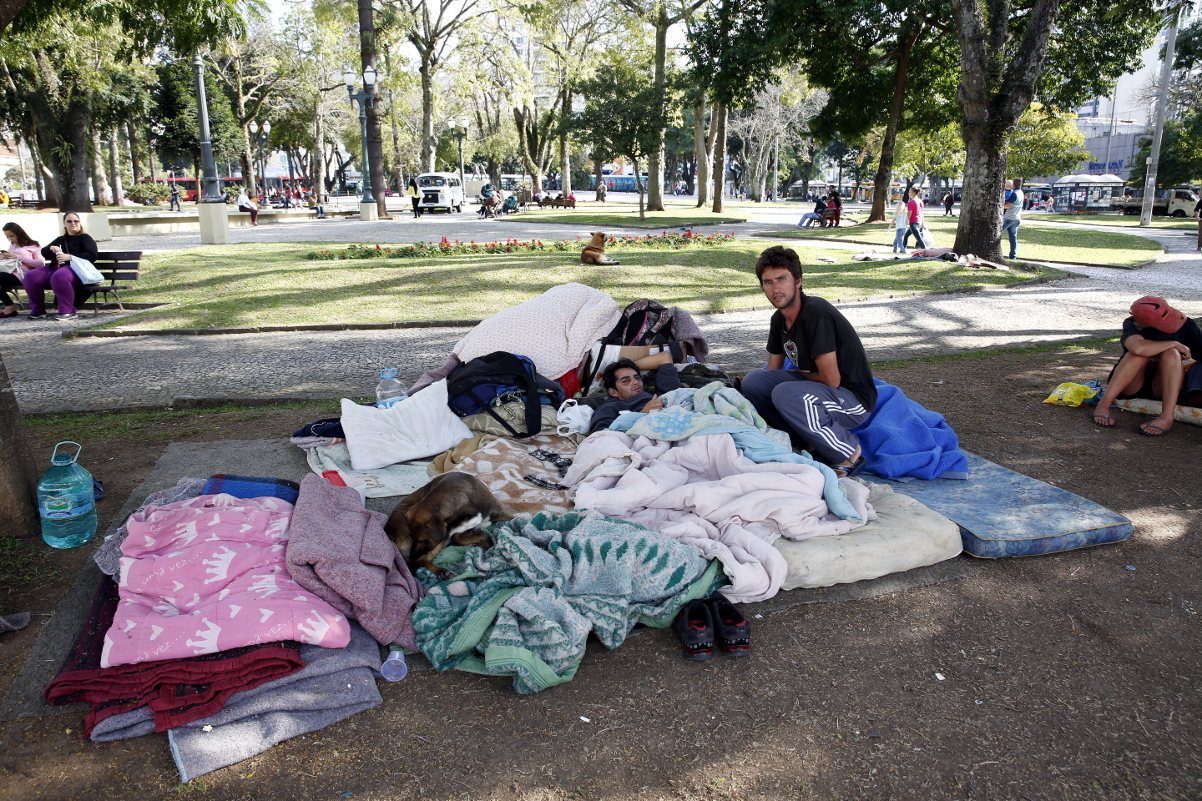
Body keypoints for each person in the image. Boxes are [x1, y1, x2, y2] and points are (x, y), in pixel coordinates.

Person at [740, 245, 877, 475]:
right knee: (754, 381)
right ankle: (801, 440)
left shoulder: (816, 314)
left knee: (786, 392)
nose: (775, 288)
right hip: (818, 390)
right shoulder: (779, 319)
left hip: (852, 398)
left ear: (798, 281)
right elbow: (771, 370)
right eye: (768, 282)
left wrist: (800, 376)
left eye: (782, 279)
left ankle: (847, 453)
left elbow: (832, 380)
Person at [1092, 296, 1202, 437]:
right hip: (1133, 383)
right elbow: (1137, 348)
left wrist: (1174, 349)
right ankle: (1103, 405)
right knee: (1137, 354)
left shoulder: (1184, 324)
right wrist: (1174, 343)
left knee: (1172, 354)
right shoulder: (1132, 324)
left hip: (1164, 386)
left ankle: (1167, 417)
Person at [21, 213, 98, 321]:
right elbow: (45, 253)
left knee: (60, 276)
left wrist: (70, 257)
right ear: (64, 223)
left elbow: (92, 255)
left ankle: (68, 311)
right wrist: (51, 248)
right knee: (31, 276)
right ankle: (38, 311)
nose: (73, 223)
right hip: (57, 268)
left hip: (77, 270)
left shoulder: (84, 238)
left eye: (76, 221)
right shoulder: (61, 239)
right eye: (69, 221)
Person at [588, 357, 682, 434]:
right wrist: (641, 414)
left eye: (637, 378)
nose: (636, 382)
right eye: (626, 381)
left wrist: (626, 367)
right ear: (613, 392)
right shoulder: (610, 407)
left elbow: (664, 358)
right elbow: (601, 435)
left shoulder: (663, 394)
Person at [0, 222, 44, 318]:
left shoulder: (34, 246)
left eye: (12, 236)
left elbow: (40, 264)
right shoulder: (12, 245)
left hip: (23, 275)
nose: (10, 239)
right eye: (7, 237)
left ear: (19, 233)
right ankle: (9, 306)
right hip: (9, 272)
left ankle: (10, 306)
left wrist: (18, 257)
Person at [1002, 178, 1024, 260]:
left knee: (996, 234)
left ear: (1013, 185)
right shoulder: (1021, 193)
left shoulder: (1014, 194)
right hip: (1017, 218)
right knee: (1013, 238)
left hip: (1009, 218)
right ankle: (1013, 256)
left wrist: (999, 205)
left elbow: (1008, 205)